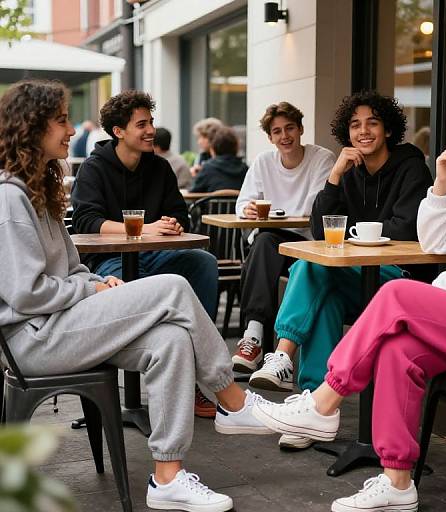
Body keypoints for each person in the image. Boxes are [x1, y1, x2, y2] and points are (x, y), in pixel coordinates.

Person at [0, 79, 274, 512]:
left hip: (60, 323)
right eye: (62, 120)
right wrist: (88, 287)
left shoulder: (38, 192)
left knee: (171, 340)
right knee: (174, 288)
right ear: (32, 128)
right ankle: (231, 398)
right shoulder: (9, 199)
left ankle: (167, 476)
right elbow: (26, 294)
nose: (71, 131)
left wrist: (93, 283)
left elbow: (72, 267)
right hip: (35, 339)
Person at [249, 81, 446, 512]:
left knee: (396, 295)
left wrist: (435, 292)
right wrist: (442, 185)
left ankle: (323, 401)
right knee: (398, 350)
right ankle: (397, 481)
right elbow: (440, 239)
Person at [248, 92, 433, 414]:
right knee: (325, 296)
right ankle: (314, 407)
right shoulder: (349, 172)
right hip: (358, 278)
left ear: (387, 129)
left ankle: (283, 355)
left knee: (311, 267)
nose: (363, 131)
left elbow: (406, 228)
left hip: (401, 280)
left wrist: (355, 236)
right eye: (355, 125)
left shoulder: (412, 169)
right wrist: (334, 175)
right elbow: (321, 231)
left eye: (372, 123)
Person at [71, 90, 219, 418]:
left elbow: (180, 214)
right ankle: (159, 375)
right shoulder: (94, 169)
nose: (150, 130)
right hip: (108, 261)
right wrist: (144, 228)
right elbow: (85, 221)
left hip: (157, 255)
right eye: (142, 124)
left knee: (203, 264)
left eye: (151, 122)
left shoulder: (160, 168)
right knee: (130, 290)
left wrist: (172, 223)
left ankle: (191, 375)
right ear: (118, 131)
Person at [231, 102, 336, 373]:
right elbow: (242, 204)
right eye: (277, 131)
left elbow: (314, 207)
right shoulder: (263, 162)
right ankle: (253, 336)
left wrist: (273, 213)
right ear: (270, 137)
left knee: (265, 241)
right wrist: (248, 209)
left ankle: (257, 338)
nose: (284, 136)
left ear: (301, 128)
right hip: (272, 242)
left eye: (290, 128)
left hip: (307, 243)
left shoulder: (321, 158)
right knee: (265, 240)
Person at [189, 126, 248, 192]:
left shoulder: (207, 168)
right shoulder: (245, 169)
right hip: (238, 202)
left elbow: (193, 191)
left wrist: (195, 177)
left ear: (213, 150)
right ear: (236, 148)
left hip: (209, 202)